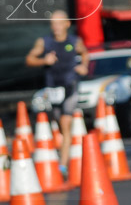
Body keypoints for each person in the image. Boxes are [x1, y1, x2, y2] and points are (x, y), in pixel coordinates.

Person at [25, 10, 89, 167]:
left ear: (67, 24)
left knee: (65, 122)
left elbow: (85, 53)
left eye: (59, 23)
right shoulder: (44, 42)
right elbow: (29, 59)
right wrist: (44, 61)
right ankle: (68, 152)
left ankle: (63, 164)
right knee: (59, 124)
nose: (56, 27)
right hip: (53, 87)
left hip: (70, 84)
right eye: (53, 23)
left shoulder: (74, 41)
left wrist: (84, 66)